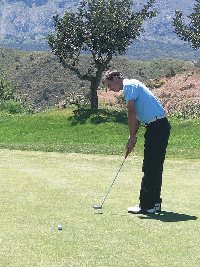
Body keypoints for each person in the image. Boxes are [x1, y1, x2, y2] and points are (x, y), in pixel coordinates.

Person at [102, 70, 171, 214]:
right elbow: (138, 116)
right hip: (159, 126)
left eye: (110, 86)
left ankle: (146, 206)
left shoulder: (129, 85)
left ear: (116, 78)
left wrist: (132, 136)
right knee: (156, 167)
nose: (111, 90)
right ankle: (155, 203)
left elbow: (131, 112)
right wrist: (132, 137)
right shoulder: (133, 86)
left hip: (157, 127)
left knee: (150, 166)